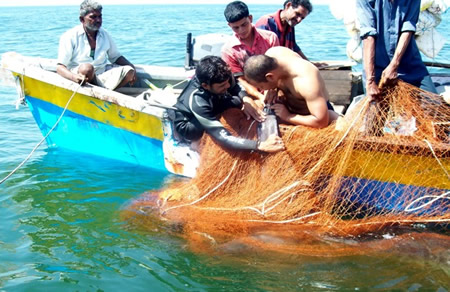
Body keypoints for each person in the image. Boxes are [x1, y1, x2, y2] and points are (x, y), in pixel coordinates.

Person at [174, 56, 284, 153]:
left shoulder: (222, 76)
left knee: (237, 101)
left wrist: (246, 99)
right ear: (205, 85)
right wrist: (259, 145)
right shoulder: (198, 101)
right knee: (198, 130)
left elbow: (235, 85)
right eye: (222, 85)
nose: (227, 86)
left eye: (228, 81)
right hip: (189, 123)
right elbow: (222, 136)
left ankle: (217, 106)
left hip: (213, 101)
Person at [357, 0, 437, 101]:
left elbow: (408, 28)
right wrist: (370, 81)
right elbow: (368, 36)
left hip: (409, 64)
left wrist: (394, 65)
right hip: (375, 69)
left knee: (434, 104)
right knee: (376, 110)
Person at [244, 47, 339, 128]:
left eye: (261, 87)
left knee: (334, 119)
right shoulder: (273, 53)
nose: (263, 90)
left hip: (312, 115)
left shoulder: (306, 81)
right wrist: (271, 90)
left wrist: (288, 116)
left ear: (270, 77)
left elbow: (321, 122)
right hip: (288, 106)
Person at [56, 0, 136, 90]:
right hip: (80, 75)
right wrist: (74, 77)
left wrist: (132, 67)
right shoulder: (70, 36)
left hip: (102, 73)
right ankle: (100, 92)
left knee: (129, 71)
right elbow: (60, 67)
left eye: (100, 16)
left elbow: (115, 57)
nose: (98, 20)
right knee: (87, 69)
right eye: (93, 17)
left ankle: (104, 92)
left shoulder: (105, 34)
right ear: (82, 19)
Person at [221, 1, 279, 112]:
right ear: (229, 26)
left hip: (273, 88)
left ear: (250, 18)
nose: (241, 30)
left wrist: (272, 89)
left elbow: (277, 69)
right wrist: (259, 97)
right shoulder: (228, 50)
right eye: (235, 28)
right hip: (249, 94)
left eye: (244, 24)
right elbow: (240, 80)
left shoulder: (271, 38)